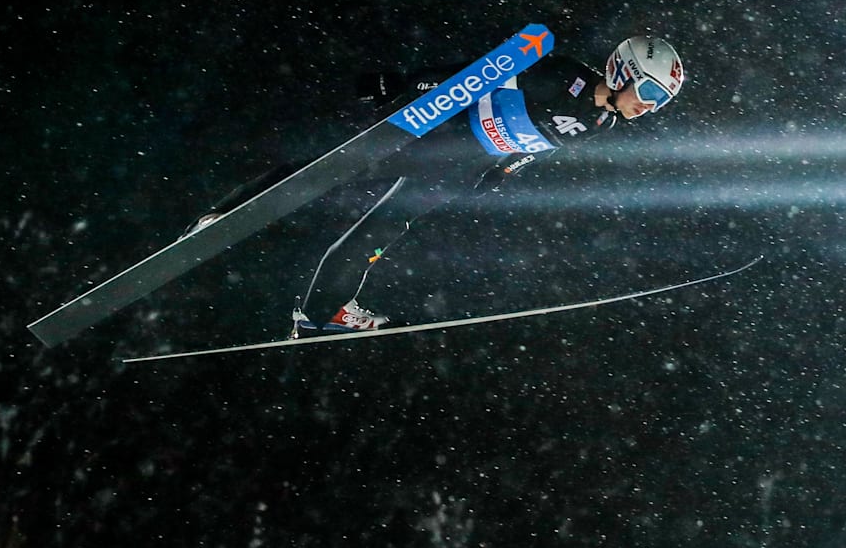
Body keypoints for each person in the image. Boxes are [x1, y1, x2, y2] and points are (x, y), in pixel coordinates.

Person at [188, 34, 686, 338]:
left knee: (386, 226)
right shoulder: (559, 75)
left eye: (659, 101)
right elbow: (472, 74)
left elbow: (536, 146)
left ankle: (323, 313)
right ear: (623, 70)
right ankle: (222, 214)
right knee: (324, 170)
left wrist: (501, 175)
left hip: (463, 164)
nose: (648, 106)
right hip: (439, 135)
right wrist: (408, 86)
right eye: (647, 90)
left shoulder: (604, 125)